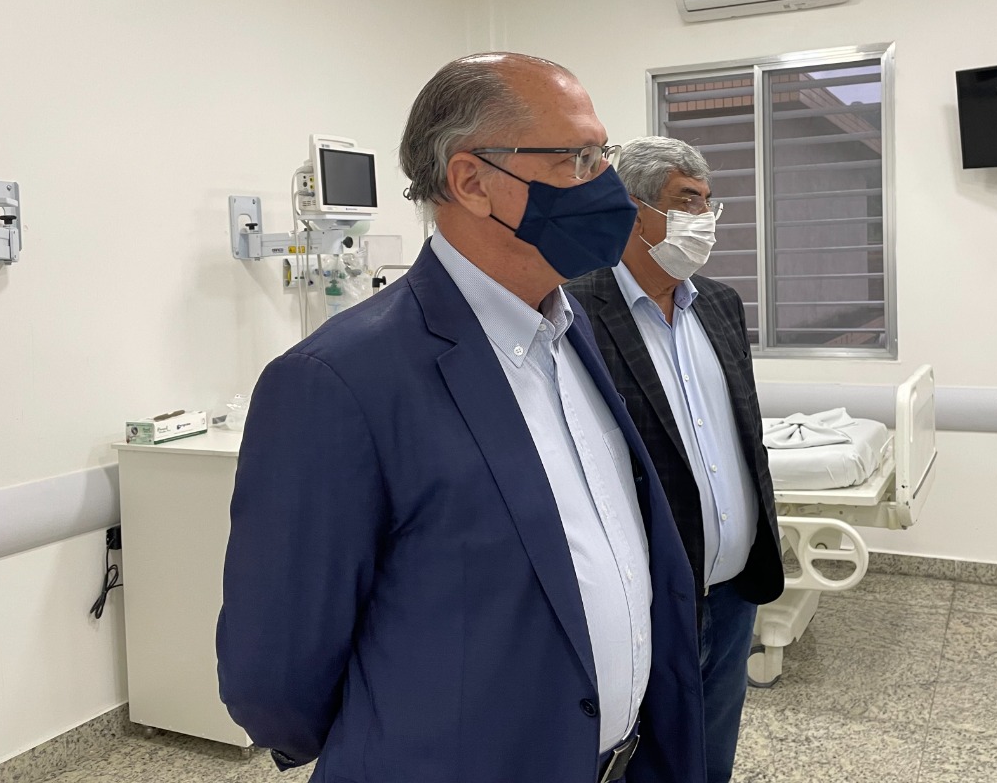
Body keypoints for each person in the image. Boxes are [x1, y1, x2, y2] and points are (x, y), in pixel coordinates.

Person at [216, 55, 704, 783]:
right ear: (473, 181)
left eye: (603, 153)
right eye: (577, 158)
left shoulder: (574, 331)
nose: (608, 184)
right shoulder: (338, 383)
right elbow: (274, 674)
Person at [565, 136, 783, 783]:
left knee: (712, 756)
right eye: (687, 202)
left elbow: (744, 437)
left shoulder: (719, 304)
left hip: (736, 591)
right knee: (650, 760)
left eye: (709, 203)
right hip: (653, 597)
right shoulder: (576, 312)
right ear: (633, 210)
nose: (704, 220)